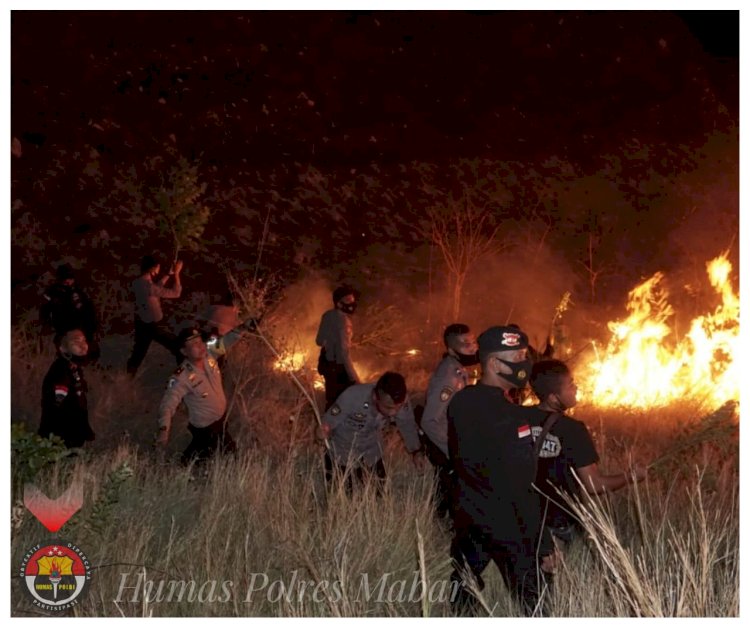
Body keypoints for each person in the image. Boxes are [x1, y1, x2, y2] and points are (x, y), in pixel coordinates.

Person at [448, 325, 556, 616]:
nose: (525, 362)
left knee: (463, 591)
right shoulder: (511, 418)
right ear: (495, 363)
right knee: (536, 601)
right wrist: (542, 544)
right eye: (519, 356)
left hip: (469, 517)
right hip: (508, 524)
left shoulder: (461, 401)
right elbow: (522, 484)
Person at [529, 359, 647, 542]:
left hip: (528, 521)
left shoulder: (519, 418)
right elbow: (594, 485)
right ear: (553, 397)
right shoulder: (572, 429)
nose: (575, 388)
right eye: (570, 385)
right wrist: (631, 476)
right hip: (561, 524)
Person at [156, 319, 256, 465]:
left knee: (201, 455)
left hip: (220, 420)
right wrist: (163, 430)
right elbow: (167, 404)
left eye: (200, 341)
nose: (200, 346)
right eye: (194, 345)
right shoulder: (181, 377)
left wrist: (243, 327)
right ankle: (176, 468)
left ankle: (182, 465)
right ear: (184, 351)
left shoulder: (209, 354)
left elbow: (227, 340)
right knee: (229, 456)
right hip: (206, 428)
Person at [320, 372, 426, 493]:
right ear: (376, 397)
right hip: (343, 454)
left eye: (397, 408)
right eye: (388, 408)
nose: (393, 413)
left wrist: (416, 451)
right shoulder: (353, 396)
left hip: (371, 452)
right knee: (346, 498)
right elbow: (328, 422)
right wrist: (323, 431)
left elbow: (407, 425)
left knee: (380, 493)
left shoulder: (399, 400)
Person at [419, 323, 478, 517]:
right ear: (451, 349)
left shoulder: (458, 369)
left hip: (449, 437)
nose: (473, 348)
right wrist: (452, 450)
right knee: (449, 487)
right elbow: (429, 420)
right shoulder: (449, 376)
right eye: (465, 344)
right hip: (440, 439)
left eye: (473, 342)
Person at [126, 255, 184, 376]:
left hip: (142, 323)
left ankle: (127, 378)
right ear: (152, 268)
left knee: (138, 353)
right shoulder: (148, 286)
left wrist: (168, 275)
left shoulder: (138, 282)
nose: (159, 269)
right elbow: (176, 293)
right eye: (158, 267)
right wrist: (177, 274)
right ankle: (185, 374)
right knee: (177, 346)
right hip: (151, 326)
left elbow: (155, 288)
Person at [38, 329, 95, 449]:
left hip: (70, 435)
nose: (83, 345)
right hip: (61, 438)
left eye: (84, 340)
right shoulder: (60, 369)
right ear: (63, 348)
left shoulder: (74, 368)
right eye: (76, 341)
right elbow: (58, 406)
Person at [40, 263, 100, 361]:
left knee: (85, 353)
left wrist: (91, 329)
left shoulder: (80, 291)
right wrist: (48, 326)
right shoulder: (52, 292)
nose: (68, 281)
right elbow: (44, 311)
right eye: (65, 279)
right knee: (65, 353)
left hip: (81, 328)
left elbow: (89, 310)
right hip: (62, 329)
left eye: (70, 278)